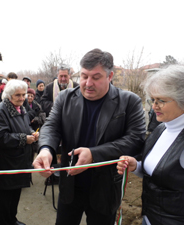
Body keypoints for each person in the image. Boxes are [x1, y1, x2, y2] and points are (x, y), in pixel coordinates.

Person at [33, 48, 146, 225]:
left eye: (96, 77)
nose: (87, 83)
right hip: (70, 185)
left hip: (106, 188)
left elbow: (136, 139)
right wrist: (46, 150)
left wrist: (94, 154)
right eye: (84, 76)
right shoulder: (65, 98)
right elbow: (51, 126)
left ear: (110, 76)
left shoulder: (129, 101)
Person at [117, 65, 184, 225]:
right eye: (153, 100)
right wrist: (136, 166)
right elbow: (156, 174)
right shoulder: (161, 129)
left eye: (161, 101)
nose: (154, 106)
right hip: (149, 219)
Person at [0, 80, 39, 225]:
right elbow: (0, 137)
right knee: (4, 198)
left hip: (18, 161)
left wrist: (32, 133)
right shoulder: (0, 110)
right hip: (5, 164)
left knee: (15, 194)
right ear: (9, 95)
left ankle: (12, 220)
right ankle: (5, 222)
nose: (22, 98)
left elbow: (24, 127)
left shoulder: (20, 108)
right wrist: (24, 139)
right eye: (18, 95)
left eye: (24, 94)